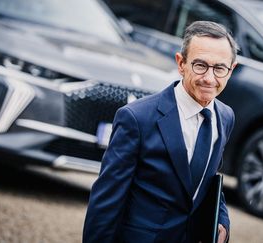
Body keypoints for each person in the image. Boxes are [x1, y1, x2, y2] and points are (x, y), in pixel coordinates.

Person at [83, 21, 238, 243]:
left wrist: (221, 219)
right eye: (200, 65)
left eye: (219, 68)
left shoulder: (225, 116)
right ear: (181, 63)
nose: (209, 78)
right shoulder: (136, 118)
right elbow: (106, 201)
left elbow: (209, 180)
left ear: (231, 69)